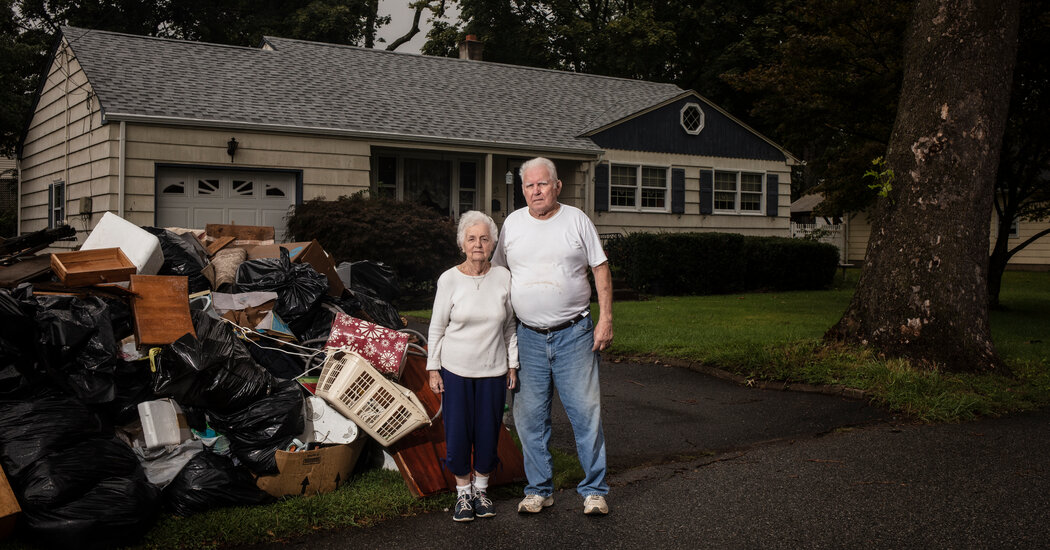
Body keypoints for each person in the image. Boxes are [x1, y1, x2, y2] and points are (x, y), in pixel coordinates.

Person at [492, 157, 614, 516]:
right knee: (529, 416)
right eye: (529, 186)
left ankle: (594, 490)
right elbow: (499, 274)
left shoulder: (576, 220)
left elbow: (600, 268)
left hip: (574, 333)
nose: (535, 191)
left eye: (542, 184)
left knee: (585, 413)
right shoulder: (513, 223)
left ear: (557, 186)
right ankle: (539, 489)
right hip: (528, 336)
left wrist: (605, 319)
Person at [427, 210, 519, 522]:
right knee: (457, 435)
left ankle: (482, 490)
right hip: (455, 371)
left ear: (493, 244)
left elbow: (509, 328)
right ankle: (462, 494)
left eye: (483, 238)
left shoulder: (504, 277)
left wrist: (512, 365)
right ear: (462, 244)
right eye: (471, 238)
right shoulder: (449, 279)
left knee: (487, 433)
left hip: (493, 372)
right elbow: (437, 328)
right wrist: (432, 368)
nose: (477, 244)